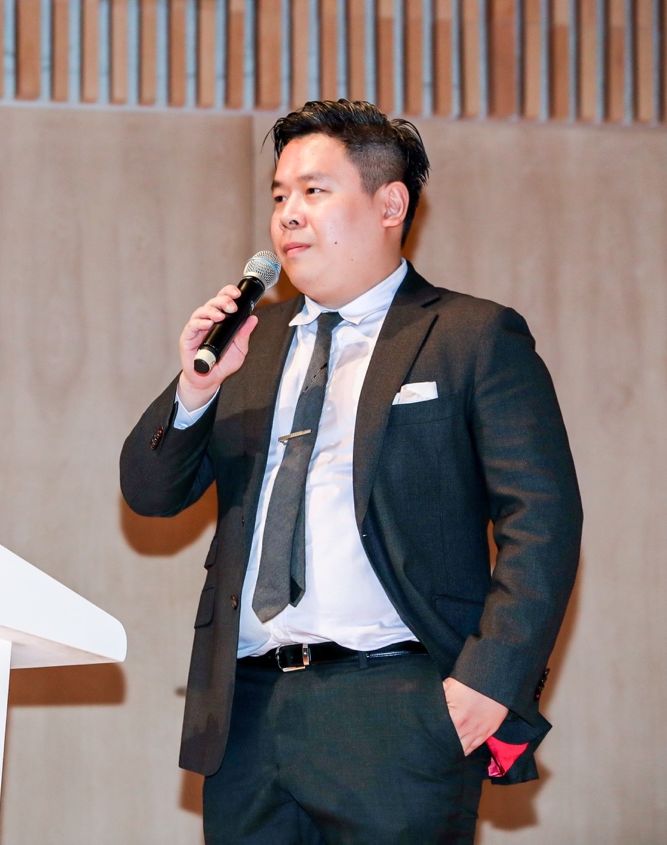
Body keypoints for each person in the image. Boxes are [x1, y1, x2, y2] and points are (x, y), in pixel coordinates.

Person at [119, 100, 582, 844]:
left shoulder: (469, 336)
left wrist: (488, 684)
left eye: (314, 190)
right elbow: (149, 494)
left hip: (397, 705)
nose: (288, 214)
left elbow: (543, 520)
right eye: (279, 195)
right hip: (246, 713)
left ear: (390, 204)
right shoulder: (249, 345)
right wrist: (194, 391)